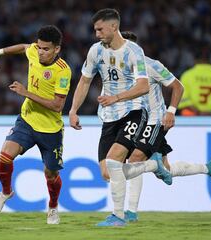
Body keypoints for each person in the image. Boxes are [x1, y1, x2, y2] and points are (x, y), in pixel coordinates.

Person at [69, 9, 171, 227]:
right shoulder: (95, 51)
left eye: (99, 29)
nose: (96, 34)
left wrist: (116, 97)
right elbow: (85, 81)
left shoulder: (134, 51)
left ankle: (118, 216)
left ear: (113, 27)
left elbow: (143, 86)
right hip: (109, 116)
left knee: (115, 160)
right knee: (108, 172)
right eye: (95, 30)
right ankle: (153, 166)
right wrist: (73, 110)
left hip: (133, 111)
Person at [117, 31, 211, 222]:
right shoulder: (119, 69)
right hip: (138, 121)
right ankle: (208, 168)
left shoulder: (151, 65)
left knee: (134, 159)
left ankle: (131, 213)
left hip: (155, 120)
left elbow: (178, 86)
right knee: (165, 170)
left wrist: (171, 111)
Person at [0, 25, 71, 225]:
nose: (40, 52)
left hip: (50, 129)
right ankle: (6, 192)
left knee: (51, 174)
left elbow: (58, 105)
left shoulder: (63, 71)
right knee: (5, 156)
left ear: (56, 49)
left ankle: (52, 208)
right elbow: (24, 47)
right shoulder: (34, 50)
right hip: (27, 120)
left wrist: (27, 93)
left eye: (46, 49)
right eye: (40, 47)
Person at [178, 45, 211, 116]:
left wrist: (198, 112)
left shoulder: (187, 75)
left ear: (195, 60)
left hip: (191, 119)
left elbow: (183, 99)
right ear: (210, 60)